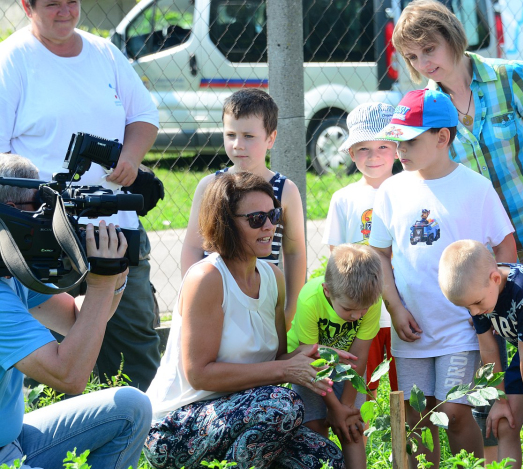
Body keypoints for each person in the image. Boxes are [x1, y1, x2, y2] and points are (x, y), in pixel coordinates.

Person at [0, 0, 161, 390]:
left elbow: (144, 116)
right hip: (41, 238)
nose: (65, 11)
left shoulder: (104, 52)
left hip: (114, 227)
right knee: (54, 358)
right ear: (26, 6)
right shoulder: (13, 59)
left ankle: (150, 439)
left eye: (71, 1)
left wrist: (130, 158)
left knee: (135, 348)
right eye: (52, 3)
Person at [145, 173, 346, 469]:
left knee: (326, 460)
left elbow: (272, 360)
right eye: (256, 219)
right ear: (225, 223)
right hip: (175, 426)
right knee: (281, 405)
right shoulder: (207, 278)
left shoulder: (273, 278)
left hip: (242, 415)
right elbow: (199, 374)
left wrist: (304, 356)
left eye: (274, 215)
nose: (270, 226)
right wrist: (284, 369)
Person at [369, 89, 516, 468]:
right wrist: (395, 308)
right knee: (417, 417)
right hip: (411, 328)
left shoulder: (475, 188)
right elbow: (380, 255)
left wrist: (486, 307)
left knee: (452, 411)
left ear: (441, 137)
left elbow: (506, 249)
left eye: (410, 139)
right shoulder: (391, 189)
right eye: (396, 138)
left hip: (461, 328)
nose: (399, 148)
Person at [0, 153, 150, 469]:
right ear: (11, 214)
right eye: (40, 207)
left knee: (131, 407)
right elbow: (69, 375)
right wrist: (98, 286)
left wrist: (114, 278)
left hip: (13, 440)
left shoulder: (10, 272)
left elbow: (75, 322)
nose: (50, 220)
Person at [391, 0, 523, 258]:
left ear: (452, 36)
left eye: (429, 49)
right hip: (483, 253)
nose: (423, 63)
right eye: (412, 57)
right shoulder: (424, 110)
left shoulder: (511, 77)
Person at [181, 89, 306, 330]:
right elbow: (192, 247)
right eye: (231, 134)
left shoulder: (285, 190)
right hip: (214, 298)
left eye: (249, 136)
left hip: (264, 300)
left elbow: (294, 253)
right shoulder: (209, 186)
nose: (238, 145)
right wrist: (192, 296)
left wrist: (290, 307)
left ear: (271, 138)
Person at [438, 240, 523, 468]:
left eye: (476, 305)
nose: (475, 313)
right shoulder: (479, 293)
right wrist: (499, 400)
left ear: (495, 279)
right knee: (503, 423)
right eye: (468, 308)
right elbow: (489, 348)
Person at [322, 102, 399, 398]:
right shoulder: (344, 198)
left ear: (397, 148)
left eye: (383, 146)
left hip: (402, 309)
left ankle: (408, 441)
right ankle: (361, 439)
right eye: (364, 149)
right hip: (360, 310)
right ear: (351, 154)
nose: (374, 156)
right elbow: (336, 254)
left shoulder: (409, 190)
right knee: (360, 388)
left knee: (406, 389)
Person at [288, 244, 383, 469]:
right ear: (328, 291)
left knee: (352, 428)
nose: (357, 315)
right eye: (349, 309)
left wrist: (345, 407)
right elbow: (310, 358)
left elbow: (359, 357)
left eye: (363, 310)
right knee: (314, 429)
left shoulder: (372, 301)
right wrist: (334, 407)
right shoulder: (310, 299)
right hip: (309, 368)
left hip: (349, 371)